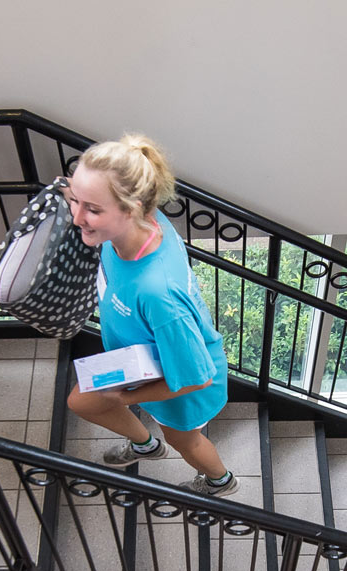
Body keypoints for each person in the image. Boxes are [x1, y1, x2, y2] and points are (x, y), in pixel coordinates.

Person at [62, 135, 239, 498]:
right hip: (136, 360)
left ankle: (221, 482)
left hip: (179, 383)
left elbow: (197, 377)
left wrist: (125, 398)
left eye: (92, 209)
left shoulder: (158, 292)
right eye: (75, 200)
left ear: (131, 209)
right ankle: (144, 445)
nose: (77, 217)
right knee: (81, 400)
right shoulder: (143, 225)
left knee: (184, 441)